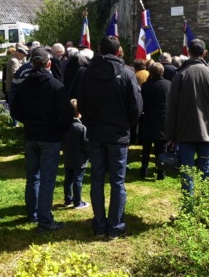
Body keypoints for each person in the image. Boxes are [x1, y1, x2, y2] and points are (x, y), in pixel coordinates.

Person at [77, 36, 143, 239]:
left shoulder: (89, 74)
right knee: (117, 181)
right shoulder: (125, 74)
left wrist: (92, 122)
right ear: (118, 51)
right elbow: (136, 106)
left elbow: (82, 105)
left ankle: (101, 225)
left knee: (98, 180)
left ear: (99, 50)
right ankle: (113, 226)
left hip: (101, 132)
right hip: (114, 134)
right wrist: (124, 125)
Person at [10, 47, 74, 232]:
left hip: (31, 135)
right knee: (46, 180)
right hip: (49, 137)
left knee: (33, 178)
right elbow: (67, 114)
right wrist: (60, 129)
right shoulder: (55, 85)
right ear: (49, 64)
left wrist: (28, 122)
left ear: (32, 64)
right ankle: (44, 220)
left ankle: (34, 213)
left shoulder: (24, 85)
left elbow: (15, 110)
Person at [165, 38, 209, 199]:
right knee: (207, 172)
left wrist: (171, 136)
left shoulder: (180, 75)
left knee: (187, 172)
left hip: (185, 132)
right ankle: (207, 211)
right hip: (207, 131)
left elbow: (172, 109)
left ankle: (189, 210)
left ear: (188, 53)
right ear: (205, 53)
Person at [139, 62, 171, 180]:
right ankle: (161, 172)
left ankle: (144, 170)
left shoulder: (146, 86)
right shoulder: (169, 85)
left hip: (149, 118)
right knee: (162, 148)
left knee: (146, 148)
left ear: (150, 72)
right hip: (164, 119)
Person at [62, 99, 89, 209]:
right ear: (79, 112)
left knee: (68, 179)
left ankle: (68, 200)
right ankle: (77, 202)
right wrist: (89, 154)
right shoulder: (81, 128)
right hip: (79, 159)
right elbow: (86, 144)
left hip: (68, 156)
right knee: (77, 180)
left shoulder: (65, 126)